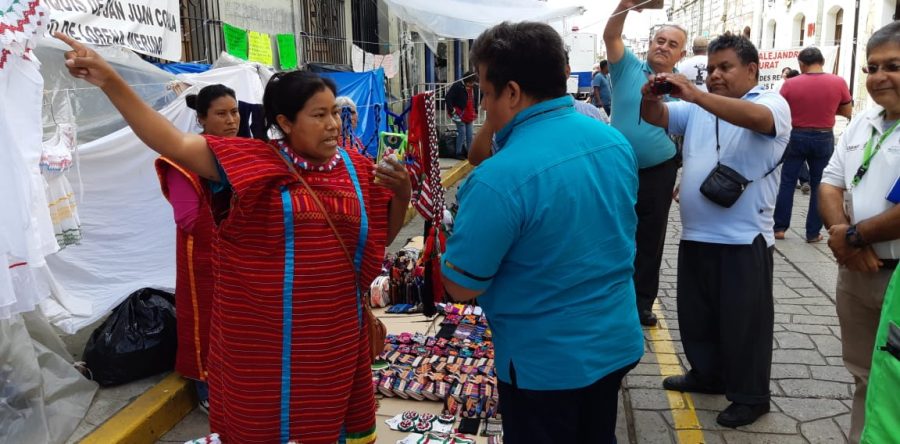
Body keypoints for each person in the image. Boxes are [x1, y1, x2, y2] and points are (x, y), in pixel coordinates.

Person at [56, 32, 411, 444]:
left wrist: (401, 192)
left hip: (333, 340)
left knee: (327, 428)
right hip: (264, 344)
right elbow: (168, 141)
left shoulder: (355, 169)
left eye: (334, 112)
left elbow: (381, 238)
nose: (332, 124)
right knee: (263, 428)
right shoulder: (252, 163)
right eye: (318, 115)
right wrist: (110, 80)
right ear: (285, 122)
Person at [442, 21, 643, 443]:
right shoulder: (613, 142)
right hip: (614, 342)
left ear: (511, 93)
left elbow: (461, 285)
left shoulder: (498, 179)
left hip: (545, 366)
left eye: (485, 92)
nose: (482, 106)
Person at [639, 33, 791, 427]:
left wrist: (695, 93)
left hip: (744, 240)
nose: (715, 76)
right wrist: (651, 96)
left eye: (725, 68)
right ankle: (707, 375)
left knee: (744, 324)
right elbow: (656, 117)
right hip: (695, 235)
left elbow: (760, 121)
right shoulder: (700, 109)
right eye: (711, 69)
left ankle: (751, 396)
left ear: (752, 70)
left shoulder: (771, 102)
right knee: (697, 316)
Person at [818, 20, 900, 444]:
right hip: (858, 270)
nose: (879, 76)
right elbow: (830, 183)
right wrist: (841, 233)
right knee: (866, 376)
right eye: (871, 67)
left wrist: (853, 238)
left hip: (895, 277)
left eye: (893, 65)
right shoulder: (862, 122)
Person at [154, 84, 239, 415]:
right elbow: (189, 217)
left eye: (234, 112)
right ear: (202, 118)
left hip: (240, 254)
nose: (231, 120)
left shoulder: (243, 151)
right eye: (221, 113)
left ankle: (239, 383)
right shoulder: (183, 159)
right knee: (207, 320)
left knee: (242, 322)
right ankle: (207, 389)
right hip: (204, 256)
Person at [604, 0, 687, 326]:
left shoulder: (683, 86)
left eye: (672, 45)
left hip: (660, 170)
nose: (664, 47)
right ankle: (611, 296)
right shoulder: (627, 67)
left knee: (650, 238)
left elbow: (694, 129)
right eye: (660, 41)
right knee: (613, 232)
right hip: (618, 168)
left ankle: (641, 303)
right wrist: (624, 6)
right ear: (650, 44)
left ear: (680, 54)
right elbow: (611, 34)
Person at [468, 57, 609, 167]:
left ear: (567, 71)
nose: (483, 105)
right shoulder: (513, 118)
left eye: (487, 93)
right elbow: (477, 157)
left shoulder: (591, 113)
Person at [774, 47, 853, 242]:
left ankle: (780, 228)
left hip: (796, 135)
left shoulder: (789, 84)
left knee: (787, 181)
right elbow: (847, 110)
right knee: (821, 185)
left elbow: (781, 111)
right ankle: (812, 232)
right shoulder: (838, 82)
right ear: (822, 61)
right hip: (824, 136)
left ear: (801, 64)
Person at [445, 72, 479, 159]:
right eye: (470, 83)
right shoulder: (457, 86)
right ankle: (458, 152)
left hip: (469, 113)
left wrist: (476, 111)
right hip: (458, 113)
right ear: (466, 81)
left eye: (473, 83)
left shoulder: (474, 87)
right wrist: (451, 109)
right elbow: (448, 97)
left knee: (470, 134)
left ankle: (469, 152)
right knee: (462, 132)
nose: (471, 85)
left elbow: (475, 100)